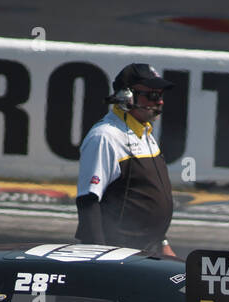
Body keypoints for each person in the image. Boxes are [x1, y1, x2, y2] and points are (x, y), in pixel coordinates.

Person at [75, 63, 176, 257]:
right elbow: (88, 201)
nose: (160, 102)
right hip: (117, 254)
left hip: (146, 250)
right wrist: (98, 257)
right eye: (152, 96)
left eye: (160, 95)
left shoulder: (144, 132)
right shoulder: (105, 137)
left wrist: (162, 243)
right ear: (126, 97)